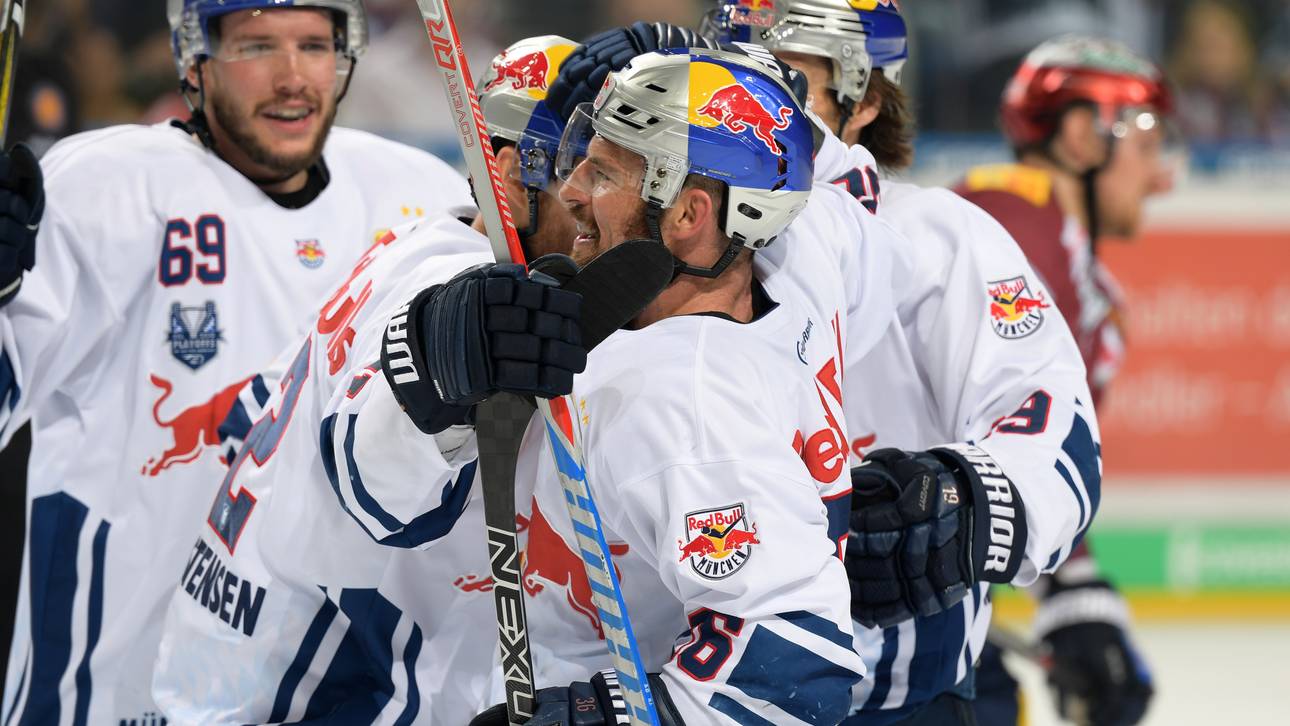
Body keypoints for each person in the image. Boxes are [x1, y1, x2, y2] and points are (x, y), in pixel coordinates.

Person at [544, 5, 1101, 723]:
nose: (750, 82)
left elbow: (1059, 431)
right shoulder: (659, 251)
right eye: (730, 55)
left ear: (866, 98)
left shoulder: (933, 236)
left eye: (788, 69)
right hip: (703, 688)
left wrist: (966, 506)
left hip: (898, 703)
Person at [0, 1, 472, 722]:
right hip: (110, 692)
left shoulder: (420, 198)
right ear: (196, 56)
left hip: (317, 691)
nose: (292, 78)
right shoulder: (99, 188)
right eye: (257, 45)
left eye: (314, 45)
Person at [152, 35, 590, 725]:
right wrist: (442, 370)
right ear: (507, 174)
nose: (598, 195)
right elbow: (375, 482)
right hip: (307, 686)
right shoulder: (446, 286)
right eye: (582, 166)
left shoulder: (422, 244)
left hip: (239, 642)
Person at [955, 35, 1171, 726]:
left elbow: (1021, 449)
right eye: (1146, 142)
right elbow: (964, 443)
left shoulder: (1056, 243)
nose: (1162, 175)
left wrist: (1076, 594)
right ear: (1083, 135)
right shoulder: (1016, 223)